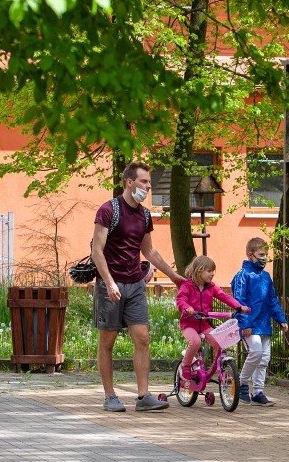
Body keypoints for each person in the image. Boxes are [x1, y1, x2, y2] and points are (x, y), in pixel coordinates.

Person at [91, 161, 184, 412]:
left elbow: (149, 250)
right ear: (129, 182)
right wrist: (109, 282)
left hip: (135, 284)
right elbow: (96, 251)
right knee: (107, 342)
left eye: (149, 183)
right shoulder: (108, 210)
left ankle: (143, 397)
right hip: (109, 284)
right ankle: (110, 396)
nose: (148, 187)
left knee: (142, 338)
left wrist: (174, 276)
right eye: (144, 182)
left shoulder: (144, 215)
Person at [230, 237, 288, 406]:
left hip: (264, 323)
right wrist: (245, 323)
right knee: (255, 352)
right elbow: (239, 301)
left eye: (266, 254)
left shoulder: (266, 276)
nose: (264, 257)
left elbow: (272, 300)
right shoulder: (242, 275)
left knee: (264, 359)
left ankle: (258, 392)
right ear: (250, 255)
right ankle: (241, 384)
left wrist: (280, 318)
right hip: (250, 324)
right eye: (261, 254)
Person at [176, 255, 249, 381]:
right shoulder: (187, 286)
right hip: (189, 324)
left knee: (220, 343)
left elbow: (225, 297)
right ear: (199, 270)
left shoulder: (211, 287)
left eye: (213, 271)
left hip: (204, 324)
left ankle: (221, 370)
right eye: (209, 271)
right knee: (195, 342)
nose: (212, 274)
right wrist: (187, 308)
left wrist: (239, 306)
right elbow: (180, 299)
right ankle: (185, 366)